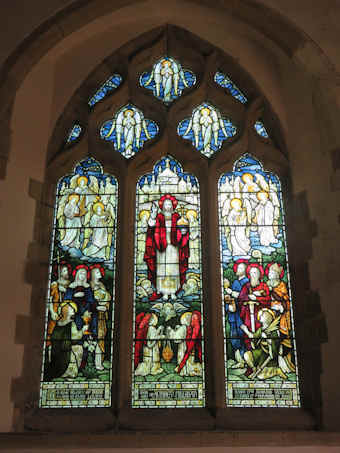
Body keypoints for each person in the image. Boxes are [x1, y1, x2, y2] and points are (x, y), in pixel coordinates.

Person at [144, 194, 189, 301]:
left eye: (169, 204)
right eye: (165, 204)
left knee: (173, 269)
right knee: (162, 270)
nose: (168, 206)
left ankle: (173, 291)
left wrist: (184, 232)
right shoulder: (159, 217)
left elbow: (183, 229)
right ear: (162, 206)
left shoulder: (177, 217)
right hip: (161, 248)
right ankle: (163, 291)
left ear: (173, 206)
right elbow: (151, 228)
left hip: (174, 248)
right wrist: (153, 215)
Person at [65, 265, 98, 369]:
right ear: (77, 274)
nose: (83, 276)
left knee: (86, 339)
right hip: (74, 316)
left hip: (86, 315)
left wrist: (87, 305)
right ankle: (73, 363)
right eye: (81, 273)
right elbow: (66, 301)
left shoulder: (87, 287)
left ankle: (84, 364)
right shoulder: (71, 286)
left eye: (84, 273)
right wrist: (75, 297)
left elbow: (91, 301)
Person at [266, 262, 295, 373]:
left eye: (272, 272)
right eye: (269, 272)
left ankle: (286, 366)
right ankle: (276, 363)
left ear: (278, 275)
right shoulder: (268, 284)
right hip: (271, 315)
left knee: (283, 340)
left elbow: (286, 300)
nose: (269, 274)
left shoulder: (282, 286)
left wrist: (280, 306)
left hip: (282, 316)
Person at [45, 301, 85, 380]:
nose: (74, 311)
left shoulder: (57, 323)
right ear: (65, 310)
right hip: (66, 352)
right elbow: (75, 337)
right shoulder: (71, 324)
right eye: (72, 309)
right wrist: (83, 330)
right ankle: (69, 374)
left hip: (55, 351)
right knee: (78, 348)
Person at [243, 308, 287, 380]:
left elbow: (275, 350)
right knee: (247, 355)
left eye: (263, 315)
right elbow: (254, 340)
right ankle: (255, 370)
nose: (261, 316)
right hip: (260, 352)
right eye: (261, 315)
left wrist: (268, 340)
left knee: (261, 377)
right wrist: (247, 331)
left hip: (269, 356)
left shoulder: (274, 331)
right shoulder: (260, 330)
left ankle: (277, 371)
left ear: (270, 318)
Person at [238, 263, 271, 350]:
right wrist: (248, 297)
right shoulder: (246, 286)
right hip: (248, 314)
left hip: (260, 315)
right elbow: (240, 298)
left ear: (260, 274)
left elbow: (268, 299)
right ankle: (250, 350)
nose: (253, 275)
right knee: (248, 333)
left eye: (255, 273)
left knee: (261, 331)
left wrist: (257, 298)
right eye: (251, 273)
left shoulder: (264, 286)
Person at [224, 259, 249, 367]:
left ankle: (244, 360)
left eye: (241, 268)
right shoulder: (235, 282)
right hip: (232, 315)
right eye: (238, 267)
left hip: (241, 315)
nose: (238, 269)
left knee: (241, 336)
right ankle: (239, 360)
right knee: (233, 337)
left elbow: (243, 297)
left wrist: (231, 293)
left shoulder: (247, 283)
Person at [46, 262, 71, 360]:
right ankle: (49, 358)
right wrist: (52, 312)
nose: (67, 272)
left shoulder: (69, 285)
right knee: (50, 334)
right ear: (59, 272)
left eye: (67, 270)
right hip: (56, 314)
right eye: (64, 270)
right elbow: (50, 300)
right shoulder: (54, 284)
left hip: (66, 315)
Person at [168, 311, 203, 376]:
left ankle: (183, 371)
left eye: (194, 319)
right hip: (190, 349)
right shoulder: (191, 328)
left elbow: (176, 339)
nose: (192, 320)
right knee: (190, 360)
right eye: (192, 318)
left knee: (183, 358)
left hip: (183, 348)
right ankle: (188, 370)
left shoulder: (183, 328)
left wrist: (171, 331)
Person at [90, 264, 111, 371]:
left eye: (100, 272)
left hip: (101, 317)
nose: (100, 274)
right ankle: (89, 363)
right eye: (97, 272)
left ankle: (98, 362)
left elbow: (107, 298)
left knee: (100, 338)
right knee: (90, 338)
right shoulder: (89, 286)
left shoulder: (102, 285)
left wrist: (105, 306)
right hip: (91, 317)